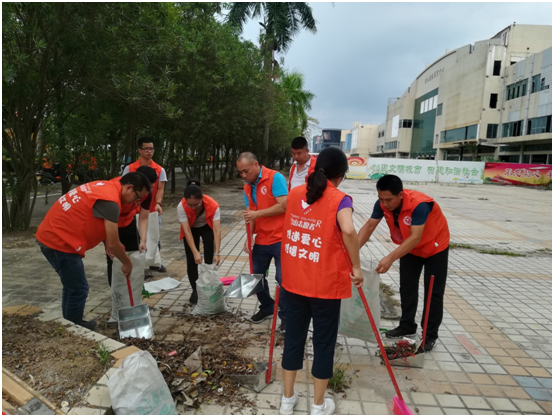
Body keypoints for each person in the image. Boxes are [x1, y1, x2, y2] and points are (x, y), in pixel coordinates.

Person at [279, 147, 363, 415]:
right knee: (323, 343)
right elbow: (348, 229)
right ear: (341, 176)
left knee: (293, 339)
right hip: (325, 287)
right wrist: (357, 267)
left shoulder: (295, 193)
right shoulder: (340, 200)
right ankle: (317, 405)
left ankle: (287, 400)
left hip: (293, 283)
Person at [36, 173, 151, 331]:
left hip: (53, 236)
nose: (136, 203)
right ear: (129, 187)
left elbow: (99, 222)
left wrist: (105, 241)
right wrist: (127, 263)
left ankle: (70, 323)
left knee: (71, 286)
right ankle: (74, 330)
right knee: (79, 289)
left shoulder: (106, 187)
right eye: (137, 197)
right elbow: (114, 243)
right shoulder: (111, 201)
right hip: (59, 242)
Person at [358, 174, 450, 352]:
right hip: (411, 248)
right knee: (407, 286)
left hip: (435, 247)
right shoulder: (382, 204)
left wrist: (390, 258)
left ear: (400, 195)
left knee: (433, 292)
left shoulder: (420, 205)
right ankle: (407, 325)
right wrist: (351, 252)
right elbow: (369, 226)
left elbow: (416, 237)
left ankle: (430, 335)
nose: (384, 204)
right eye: (381, 199)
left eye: (389, 200)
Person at [236, 152, 288, 331]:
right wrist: (249, 238)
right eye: (240, 172)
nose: (243, 175)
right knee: (255, 276)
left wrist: (258, 213)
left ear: (256, 164)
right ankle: (267, 306)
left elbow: (284, 205)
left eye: (246, 171)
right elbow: (249, 214)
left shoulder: (275, 178)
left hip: (280, 237)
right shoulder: (247, 187)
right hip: (262, 239)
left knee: (283, 278)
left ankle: (286, 316)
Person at [106, 165, 158, 286]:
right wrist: (107, 241)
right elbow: (102, 219)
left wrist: (143, 240)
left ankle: (133, 287)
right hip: (112, 224)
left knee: (135, 254)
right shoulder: (116, 190)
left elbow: (143, 218)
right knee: (113, 257)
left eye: (151, 187)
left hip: (128, 222)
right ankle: (116, 290)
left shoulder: (147, 193)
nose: (148, 190)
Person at [123, 137, 168, 272]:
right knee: (136, 237)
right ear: (139, 150)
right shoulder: (130, 168)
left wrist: (158, 203)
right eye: (146, 148)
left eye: (151, 149)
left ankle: (154, 262)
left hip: (152, 209)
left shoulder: (159, 169)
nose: (150, 151)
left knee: (154, 237)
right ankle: (137, 264)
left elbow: (160, 189)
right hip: (132, 210)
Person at [178, 179, 222, 304]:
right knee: (192, 260)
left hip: (206, 226)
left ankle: (208, 287)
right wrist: (195, 252)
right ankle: (195, 290)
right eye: (190, 205)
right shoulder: (181, 206)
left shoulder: (213, 205)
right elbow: (187, 231)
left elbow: (217, 231)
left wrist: (217, 253)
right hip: (191, 228)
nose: (193, 208)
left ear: (202, 198)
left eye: (196, 204)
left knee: (209, 255)